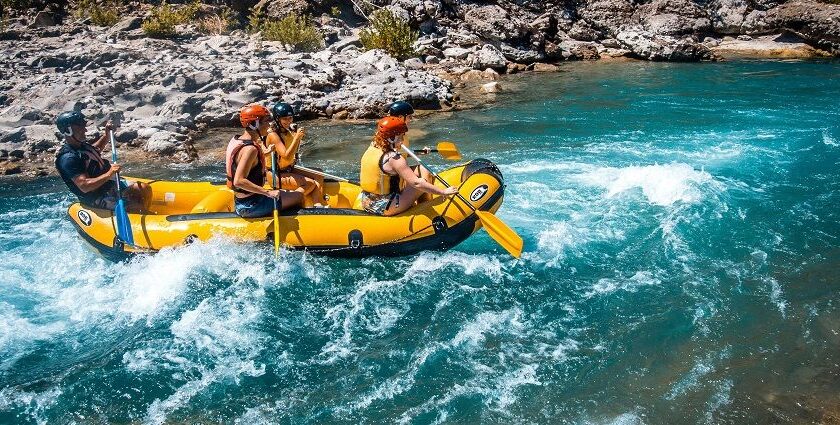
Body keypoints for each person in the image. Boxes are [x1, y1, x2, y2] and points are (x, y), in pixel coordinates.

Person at [357, 116, 457, 216]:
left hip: (367, 202)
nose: (402, 139)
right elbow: (416, 183)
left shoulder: (373, 147)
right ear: (392, 138)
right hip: (385, 206)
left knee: (421, 170)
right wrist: (443, 192)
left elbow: (390, 162)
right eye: (401, 136)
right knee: (423, 183)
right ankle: (426, 208)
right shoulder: (394, 159)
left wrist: (419, 153)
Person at [54, 111, 149, 211]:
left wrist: (106, 135)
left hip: (108, 186)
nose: (85, 130)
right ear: (68, 130)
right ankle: (141, 214)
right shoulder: (68, 158)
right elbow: (84, 186)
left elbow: (94, 151)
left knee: (143, 188)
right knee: (136, 207)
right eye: (80, 127)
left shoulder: (81, 146)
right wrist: (109, 173)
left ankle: (142, 212)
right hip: (96, 197)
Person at [226, 104, 304, 218]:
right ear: (254, 125)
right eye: (266, 121)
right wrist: (267, 192)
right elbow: (238, 181)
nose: (269, 125)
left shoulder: (236, 139)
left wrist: (265, 153)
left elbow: (240, 159)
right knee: (299, 196)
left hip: (244, 200)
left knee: (289, 194)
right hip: (251, 205)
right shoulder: (250, 149)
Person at [265, 102, 324, 207]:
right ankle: (291, 201)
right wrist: (296, 138)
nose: (288, 121)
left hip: (289, 169)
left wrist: (298, 138)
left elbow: (293, 151)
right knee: (309, 183)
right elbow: (286, 157)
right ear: (278, 119)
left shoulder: (288, 131)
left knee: (318, 174)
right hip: (276, 175)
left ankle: (317, 204)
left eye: (290, 118)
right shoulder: (273, 135)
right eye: (285, 119)